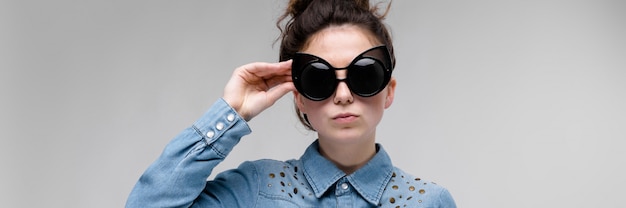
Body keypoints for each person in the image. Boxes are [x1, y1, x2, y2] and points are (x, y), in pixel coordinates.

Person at [126, 0, 456, 207]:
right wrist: (232, 112)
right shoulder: (254, 189)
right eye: (319, 79)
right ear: (297, 96)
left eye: (364, 75)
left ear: (389, 90)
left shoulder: (428, 201)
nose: (343, 95)